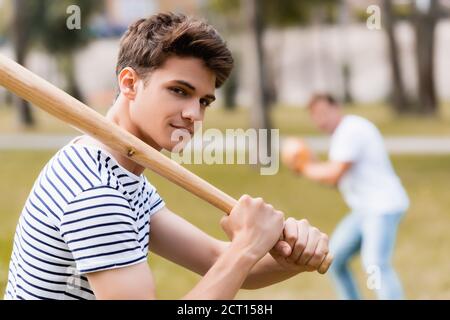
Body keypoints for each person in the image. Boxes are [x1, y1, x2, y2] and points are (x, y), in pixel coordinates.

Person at [4, 13, 332, 300]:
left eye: (204, 101)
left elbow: (218, 258)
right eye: (179, 91)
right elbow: (233, 261)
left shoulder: (118, 173)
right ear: (130, 83)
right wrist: (246, 247)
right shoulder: (97, 193)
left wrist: (292, 257)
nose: (194, 114)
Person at [283, 94, 409, 300]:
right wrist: (312, 163)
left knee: (376, 264)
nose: (320, 120)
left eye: (324, 113)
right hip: (364, 210)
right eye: (315, 116)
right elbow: (336, 179)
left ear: (337, 108)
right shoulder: (342, 134)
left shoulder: (351, 130)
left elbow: (334, 174)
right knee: (332, 259)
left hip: (382, 207)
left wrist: (303, 166)